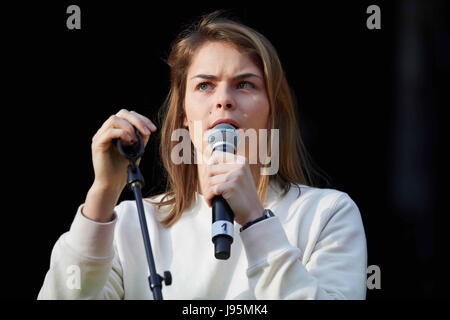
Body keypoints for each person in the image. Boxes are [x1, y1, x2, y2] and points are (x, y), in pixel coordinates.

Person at [38, 11, 367, 300]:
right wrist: (103, 193)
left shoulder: (326, 214)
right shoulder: (131, 223)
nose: (223, 100)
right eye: (205, 86)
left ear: (273, 112)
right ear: (183, 114)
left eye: (245, 84)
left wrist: (254, 218)